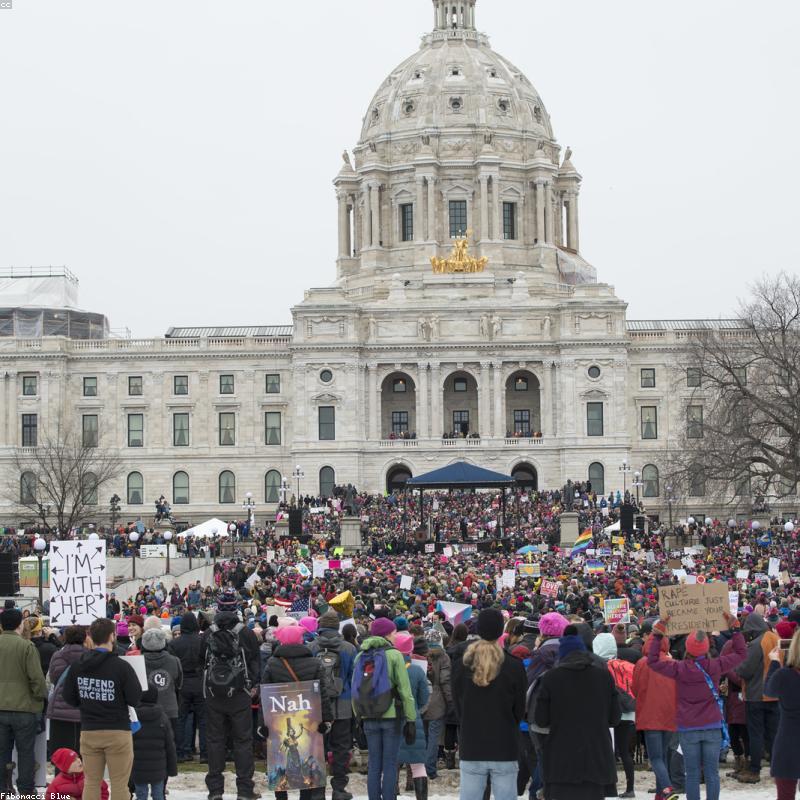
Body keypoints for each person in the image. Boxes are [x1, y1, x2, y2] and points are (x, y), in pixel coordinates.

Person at [647, 612, 746, 800]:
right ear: (707, 646)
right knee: (712, 773)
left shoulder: (679, 668)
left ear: (687, 647)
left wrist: (658, 635)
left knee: (691, 774)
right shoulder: (716, 665)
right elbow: (742, 653)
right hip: (712, 725)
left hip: (688, 727)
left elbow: (652, 661)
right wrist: (735, 630)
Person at [534, 625, 621, 800]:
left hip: (561, 761)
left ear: (563, 653)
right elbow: (614, 718)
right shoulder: (603, 677)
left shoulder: (551, 678)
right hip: (596, 758)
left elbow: (541, 720)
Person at [63, 616, 142, 800]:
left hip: (90, 730)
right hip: (118, 731)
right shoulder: (122, 667)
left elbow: (68, 697)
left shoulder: (78, 666)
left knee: (91, 783)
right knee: (120, 785)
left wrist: (86, 703)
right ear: (112, 636)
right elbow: (135, 698)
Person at [455, 608, 526, 800]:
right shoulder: (514, 666)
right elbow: (520, 709)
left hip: (472, 743)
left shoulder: (462, 665)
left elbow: (458, 705)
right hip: (504, 744)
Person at [261, 623, 334, 800]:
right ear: (301, 640)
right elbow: (322, 693)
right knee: (309, 757)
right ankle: (307, 795)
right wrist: (326, 719)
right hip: (309, 716)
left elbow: (265, 695)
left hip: (279, 714)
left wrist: (262, 723)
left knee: (280, 763)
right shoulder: (314, 662)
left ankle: (282, 796)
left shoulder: (272, 663)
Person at [202, 597, 261, 800]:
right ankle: (245, 790)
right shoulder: (245, 632)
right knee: (243, 741)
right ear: (236, 608)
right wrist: (252, 684)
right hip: (239, 693)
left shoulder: (209, 632)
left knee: (215, 741)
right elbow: (255, 660)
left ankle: (215, 790)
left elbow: (202, 658)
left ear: (218, 609)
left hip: (213, 694)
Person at [352, 617, 416, 800]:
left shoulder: (360, 655)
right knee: (389, 763)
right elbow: (405, 691)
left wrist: (358, 716)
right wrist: (411, 719)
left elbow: (355, 688)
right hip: (392, 716)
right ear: (387, 634)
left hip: (368, 716)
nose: (396, 636)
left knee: (374, 763)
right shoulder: (395, 655)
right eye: (394, 632)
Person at [309, 609, 357, 800]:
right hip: (343, 705)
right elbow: (354, 678)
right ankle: (339, 789)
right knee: (341, 748)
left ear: (320, 627)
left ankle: (318, 790)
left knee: (317, 748)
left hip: (317, 705)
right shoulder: (349, 648)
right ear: (338, 627)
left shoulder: (311, 647)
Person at [0, 606, 48, 798]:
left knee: (2, 751)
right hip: (24, 709)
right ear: (20, 625)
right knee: (25, 751)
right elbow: (37, 679)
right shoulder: (27, 647)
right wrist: (39, 697)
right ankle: (26, 789)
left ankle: (3, 787)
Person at [632, 632, 680, 800]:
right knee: (663, 755)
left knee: (656, 758)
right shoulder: (673, 664)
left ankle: (667, 790)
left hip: (649, 715)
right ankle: (660, 795)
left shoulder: (642, 663)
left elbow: (634, 689)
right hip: (669, 715)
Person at [735, 611, 781, 783]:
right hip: (775, 695)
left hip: (756, 695)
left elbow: (745, 670)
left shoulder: (756, 643)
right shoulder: (776, 638)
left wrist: (736, 667)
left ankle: (754, 770)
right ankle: (778, 769)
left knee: (756, 734)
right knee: (774, 734)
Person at [593, 632, 636, 798]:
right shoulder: (626, 665)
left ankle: (610, 786)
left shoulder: (599, 667)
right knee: (625, 752)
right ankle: (630, 788)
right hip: (629, 712)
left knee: (608, 751)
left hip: (608, 714)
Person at [764, 629, 800, 800]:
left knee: (786, 796)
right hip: (788, 742)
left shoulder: (784, 675)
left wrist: (774, 663)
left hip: (789, 743)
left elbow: (769, 690)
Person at [395, 633, 430, 800]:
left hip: (391, 719)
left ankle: (391, 793)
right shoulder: (417, 670)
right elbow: (424, 700)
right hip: (413, 721)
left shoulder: (387, 668)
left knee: (391, 762)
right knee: (417, 764)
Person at [48, 626, 89, 759]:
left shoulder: (58, 655)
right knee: (84, 755)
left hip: (60, 710)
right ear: (84, 638)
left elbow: (54, 678)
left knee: (62, 756)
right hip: (85, 710)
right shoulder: (91, 656)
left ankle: (62, 780)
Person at [170, 611, 206, 763]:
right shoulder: (203, 641)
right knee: (203, 720)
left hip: (182, 683)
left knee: (181, 719)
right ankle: (205, 753)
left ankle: (181, 752)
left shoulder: (174, 643)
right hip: (199, 682)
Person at [140, 627, 183, 754]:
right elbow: (179, 684)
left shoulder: (138, 661)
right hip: (169, 707)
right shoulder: (174, 661)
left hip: (144, 709)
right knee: (169, 744)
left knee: (148, 747)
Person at [131, 687, 178, 800]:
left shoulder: (133, 718)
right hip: (158, 768)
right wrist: (172, 769)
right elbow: (170, 746)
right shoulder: (162, 718)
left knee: (141, 795)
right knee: (158, 795)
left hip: (138, 767)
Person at [421, 628, 452, 781]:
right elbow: (445, 681)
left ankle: (421, 768)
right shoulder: (444, 657)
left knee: (424, 736)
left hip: (422, 699)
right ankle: (430, 769)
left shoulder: (420, 655)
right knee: (434, 736)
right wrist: (450, 701)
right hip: (438, 700)